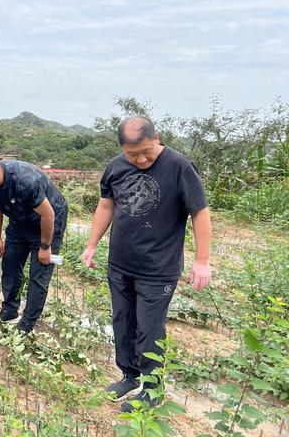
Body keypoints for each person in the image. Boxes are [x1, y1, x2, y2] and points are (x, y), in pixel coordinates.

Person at [80, 116, 212, 412]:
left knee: (149, 329)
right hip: (121, 263)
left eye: (145, 152)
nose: (140, 160)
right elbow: (106, 205)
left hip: (158, 268)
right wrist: (91, 245)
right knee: (123, 321)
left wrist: (202, 260)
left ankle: (152, 389)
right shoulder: (115, 166)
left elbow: (200, 212)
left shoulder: (179, 167)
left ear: (156, 138)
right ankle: (129, 376)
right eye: (132, 154)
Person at [0, 154, 68, 333]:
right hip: (19, 221)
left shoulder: (25, 181)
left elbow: (48, 214)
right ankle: (10, 310)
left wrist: (45, 247)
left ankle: (27, 323)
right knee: (10, 264)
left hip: (47, 221)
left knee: (39, 273)